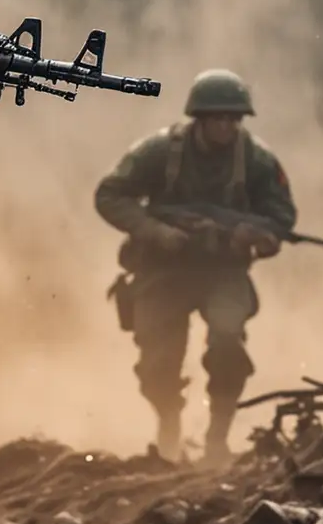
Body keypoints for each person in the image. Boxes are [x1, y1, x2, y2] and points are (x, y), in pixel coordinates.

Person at [95, 69, 296, 463]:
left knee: (227, 339)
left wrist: (253, 235)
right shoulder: (159, 152)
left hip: (223, 270)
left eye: (234, 118)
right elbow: (109, 194)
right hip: (164, 267)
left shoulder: (255, 160)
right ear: (199, 118)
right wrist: (154, 231)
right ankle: (168, 426)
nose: (226, 126)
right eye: (218, 117)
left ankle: (217, 436)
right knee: (156, 359)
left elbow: (281, 216)